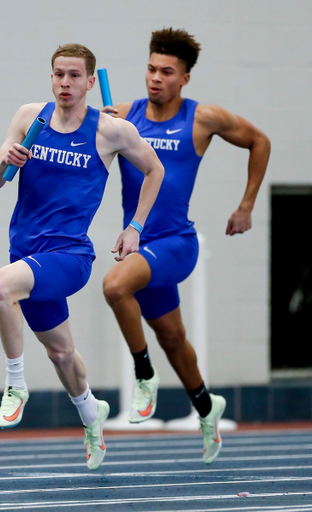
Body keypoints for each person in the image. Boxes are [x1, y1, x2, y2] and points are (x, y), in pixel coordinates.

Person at [0, 43, 164, 471]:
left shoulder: (110, 131)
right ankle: (91, 414)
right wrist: (6, 163)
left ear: (88, 81)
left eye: (74, 76)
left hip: (68, 255)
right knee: (62, 354)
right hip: (25, 251)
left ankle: (14, 386)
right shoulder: (31, 117)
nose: (65, 82)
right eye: (58, 74)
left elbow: (155, 170)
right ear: (51, 77)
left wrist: (135, 227)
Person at [102, 28, 271, 464]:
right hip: (139, 244)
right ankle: (205, 406)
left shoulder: (202, 119)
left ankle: (144, 376)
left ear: (185, 78)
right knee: (173, 337)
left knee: (115, 286)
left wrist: (246, 204)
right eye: (151, 69)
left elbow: (259, 141)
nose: (155, 78)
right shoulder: (122, 115)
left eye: (167, 72)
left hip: (175, 243)